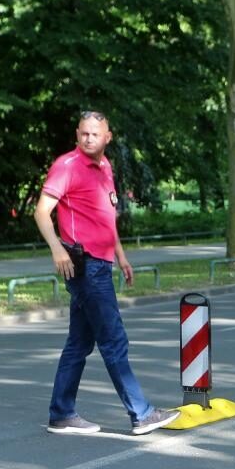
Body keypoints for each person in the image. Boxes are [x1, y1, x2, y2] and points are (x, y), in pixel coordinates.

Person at [34, 111, 171, 436]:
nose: (89, 139)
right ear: (77, 134)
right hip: (85, 267)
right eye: (84, 133)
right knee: (113, 340)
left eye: (95, 134)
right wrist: (56, 248)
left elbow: (106, 219)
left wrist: (121, 257)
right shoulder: (67, 166)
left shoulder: (105, 167)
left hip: (102, 263)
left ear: (107, 137)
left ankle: (62, 413)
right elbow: (41, 212)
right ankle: (141, 413)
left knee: (79, 343)